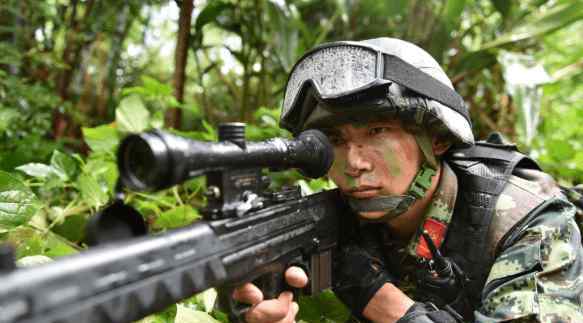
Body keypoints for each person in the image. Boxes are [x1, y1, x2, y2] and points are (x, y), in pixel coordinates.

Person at [232, 38, 583, 322]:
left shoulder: (526, 223)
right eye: (335, 140)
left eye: (378, 131)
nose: (354, 163)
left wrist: (380, 300)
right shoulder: (328, 224)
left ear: (437, 139)